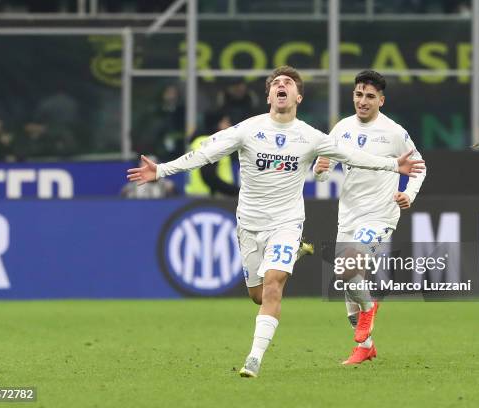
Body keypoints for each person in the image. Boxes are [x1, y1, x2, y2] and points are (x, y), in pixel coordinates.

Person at [127, 65, 425, 378]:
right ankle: (310, 272)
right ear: (269, 95)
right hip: (250, 223)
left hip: (290, 222)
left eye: (288, 83)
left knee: (274, 288)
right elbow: (204, 154)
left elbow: (353, 157)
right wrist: (160, 171)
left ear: (298, 96)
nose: (281, 85)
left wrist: (394, 165)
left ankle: (254, 358)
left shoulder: (311, 136)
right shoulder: (248, 129)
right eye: (276, 83)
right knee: (258, 295)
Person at [313, 70, 427, 365]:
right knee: (349, 281)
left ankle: (369, 308)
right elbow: (323, 174)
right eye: (358, 94)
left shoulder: (394, 132)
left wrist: (409, 195)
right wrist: (321, 169)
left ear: (381, 100)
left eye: (370, 96)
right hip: (348, 215)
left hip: (380, 215)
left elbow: (419, 166)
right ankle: (365, 345)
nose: (362, 101)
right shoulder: (341, 129)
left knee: (348, 268)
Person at [185, 110, 239, 197]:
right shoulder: (212, 143)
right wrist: (235, 191)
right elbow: (209, 176)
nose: (230, 126)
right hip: (212, 199)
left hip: (195, 197)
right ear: (217, 124)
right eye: (226, 122)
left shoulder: (197, 142)